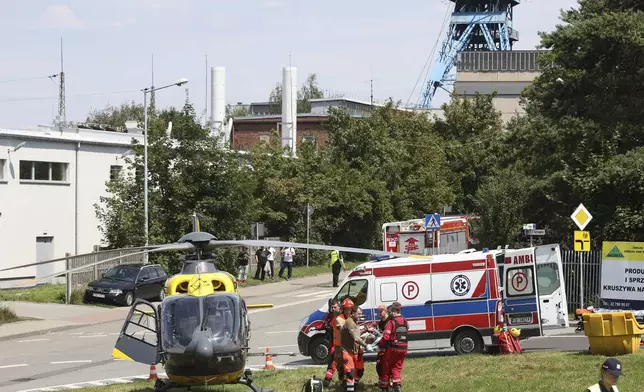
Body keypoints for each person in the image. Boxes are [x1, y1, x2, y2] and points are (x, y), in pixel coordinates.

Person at [376, 302, 408, 392]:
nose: (390, 313)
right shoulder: (405, 321)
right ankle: (397, 386)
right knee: (396, 369)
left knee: (386, 368)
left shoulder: (391, 322)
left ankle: (384, 387)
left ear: (394, 311)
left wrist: (379, 345)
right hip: (404, 349)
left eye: (391, 311)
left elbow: (386, 337)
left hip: (393, 349)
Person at [340, 305, 368, 392]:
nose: (360, 316)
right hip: (347, 352)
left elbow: (357, 334)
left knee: (360, 371)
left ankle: (353, 385)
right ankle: (350, 388)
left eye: (361, 314)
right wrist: (366, 345)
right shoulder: (349, 322)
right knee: (350, 374)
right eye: (358, 314)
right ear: (352, 314)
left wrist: (366, 330)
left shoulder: (355, 322)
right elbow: (355, 338)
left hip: (355, 352)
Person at [333, 298, 353, 384]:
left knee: (349, 364)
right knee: (340, 364)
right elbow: (343, 330)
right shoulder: (339, 319)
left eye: (349, 309)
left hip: (349, 344)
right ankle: (341, 381)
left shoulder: (351, 317)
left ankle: (350, 380)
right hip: (339, 345)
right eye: (346, 309)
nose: (348, 311)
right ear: (343, 309)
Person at [323, 299, 341, 387]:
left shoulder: (341, 317)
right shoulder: (331, 317)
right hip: (334, 344)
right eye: (332, 307)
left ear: (339, 307)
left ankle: (343, 381)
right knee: (332, 363)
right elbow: (325, 324)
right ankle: (327, 381)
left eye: (335, 307)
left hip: (341, 345)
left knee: (340, 365)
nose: (333, 309)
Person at [374, 304, 391, 379]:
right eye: (378, 311)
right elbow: (380, 334)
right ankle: (382, 379)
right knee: (379, 364)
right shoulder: (380, 323)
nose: (380, 313)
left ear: (386, 310)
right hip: (382, 345)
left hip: (390, 345)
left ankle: (391, 381)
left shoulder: (390, 320)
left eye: (381, 311)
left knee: (389, 364)